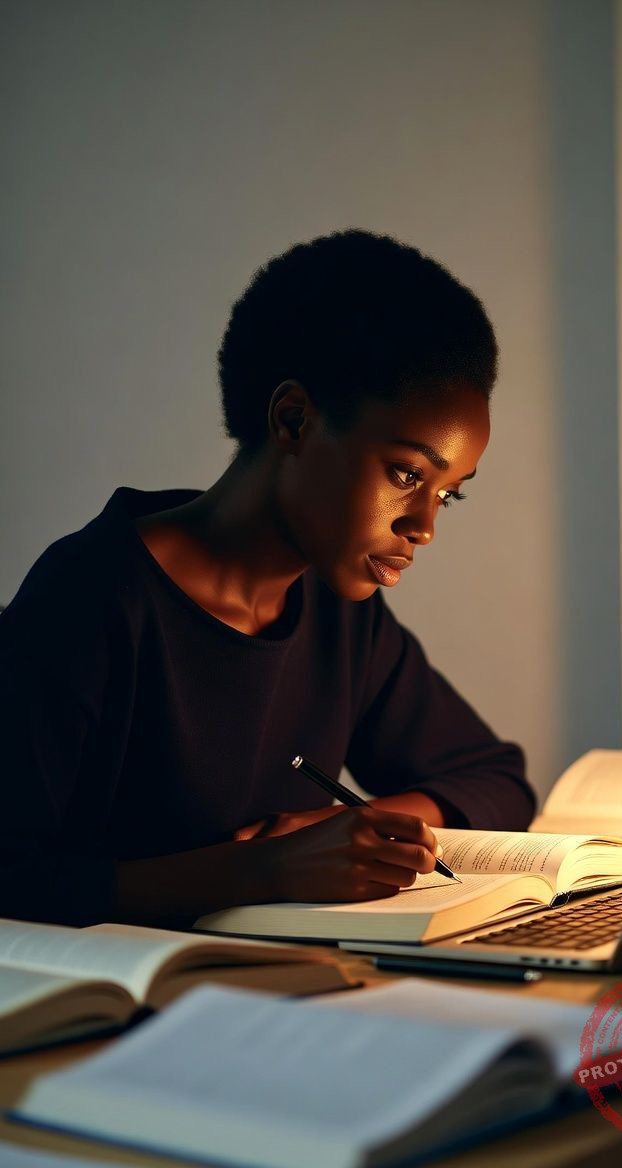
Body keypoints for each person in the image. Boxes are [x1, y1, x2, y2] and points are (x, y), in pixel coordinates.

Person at [0, 229, 535, 929]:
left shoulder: (341, 612)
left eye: (448, 493)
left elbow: (496, 778)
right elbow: (12, 877)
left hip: (288, 979)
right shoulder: (90, 598)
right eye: (407, 475)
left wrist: (357, 826)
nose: (425, 527)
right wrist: (266, 870)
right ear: (294, 420)